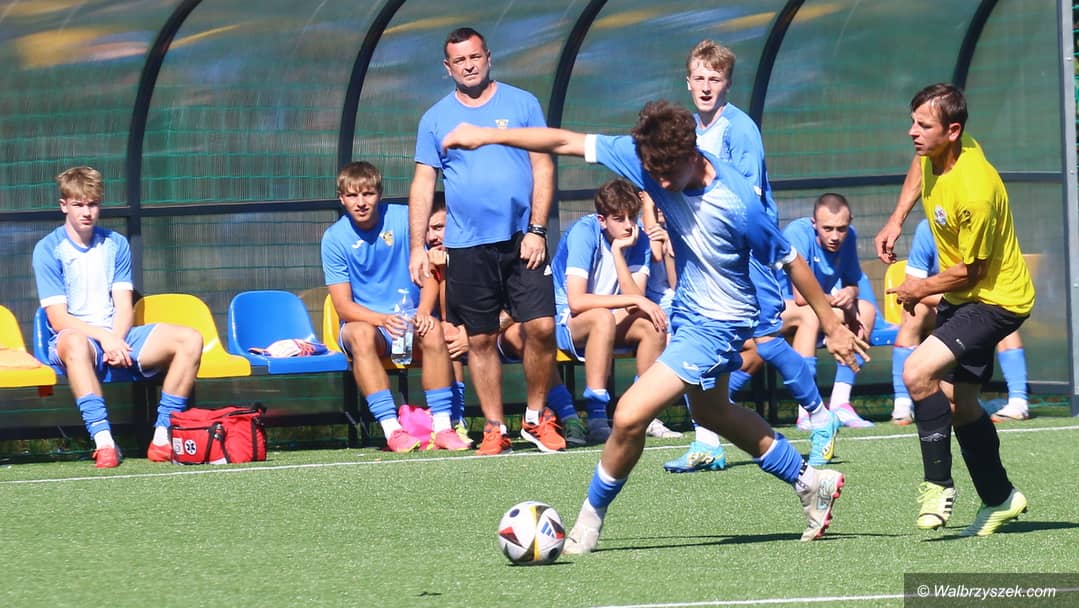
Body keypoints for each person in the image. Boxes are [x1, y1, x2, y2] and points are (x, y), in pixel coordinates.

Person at [441, 99, 868, 552]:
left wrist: (832, 326)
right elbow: (563, 140)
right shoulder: (648, 157)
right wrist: (487, 135)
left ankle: (587, 524)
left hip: (721, 323)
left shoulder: (738, 202)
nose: (659, 184)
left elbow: (792, 259)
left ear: (692, 153)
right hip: (690, 312)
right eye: (653, 173)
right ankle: (810, 482)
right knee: (713, 414)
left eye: (667, 175)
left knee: (629, 415)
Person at [664, 40, 839, 475]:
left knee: (766, 339)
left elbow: (746, 201)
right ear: (687, 82)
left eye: (715, 78)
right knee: (699, 336)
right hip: (708, 257)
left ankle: (821, 418)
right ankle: (707, 442)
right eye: (699, 78)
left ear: (728, 83)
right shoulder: (687, 128)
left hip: (747, 252)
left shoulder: (740, 130)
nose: (706, 86)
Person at [875, 83, 1033, 536]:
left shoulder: (975, 189)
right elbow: (919, 165)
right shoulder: (936, 152)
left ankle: (937, 486)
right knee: (960, 404)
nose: (913, 132)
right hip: (966, 298)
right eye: (913, 122)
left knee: (917, 373)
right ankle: (1001, 497)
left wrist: (919, 288)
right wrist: (896, 219)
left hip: (995, 300)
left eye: (924, 126)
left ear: (953, 131)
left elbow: (972, 271)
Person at [408, 27, 558, 455]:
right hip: (467, 246)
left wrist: (538, 230)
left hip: (523, 238)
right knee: (479, 338)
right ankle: (494, 428)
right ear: (448, 67)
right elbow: (423, 183)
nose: (469, 65)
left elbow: (543, 167)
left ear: (488, 57)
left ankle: (535, 417)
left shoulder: (523, 103)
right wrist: (417, 246)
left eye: (475, 57)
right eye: (460, 60)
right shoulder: (435, 118)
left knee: (542, 327)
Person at [32, 166, 204, 468]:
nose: (87, 212)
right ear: (64, 205)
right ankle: (104, 442)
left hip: (118, 336)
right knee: (74, 342)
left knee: (190, 339)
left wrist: (115, 339)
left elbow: (124, 306)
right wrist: (105, 338)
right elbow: (58, 319)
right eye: (79, 204)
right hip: (76, 338)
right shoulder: (47, 249)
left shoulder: (117, 244)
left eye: (93, 204)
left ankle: (163, 437)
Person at [322, 161, 470, 453]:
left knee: (435, 329)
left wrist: (424, 312)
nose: (361, 203)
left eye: (368, 194)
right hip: (370, 326)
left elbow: (429, 274)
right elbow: (343, 307)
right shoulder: (334, 239)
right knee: (360, 334)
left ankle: (444, 427)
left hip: (411, 322)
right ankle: (393, 431)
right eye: (352, 195)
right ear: (341, 198)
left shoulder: (406, 218)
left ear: (380, 194)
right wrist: (382, 319)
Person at [549, 178, 668, 444]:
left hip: (609, 318)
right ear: (602, 220)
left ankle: (641, 412)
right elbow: (577, 302)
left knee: (654, 324)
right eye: (619, 219)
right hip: (566, 321)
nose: (628, 225)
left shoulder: (639, 239)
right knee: (602, 318)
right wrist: (635, 300)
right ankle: (597, 418)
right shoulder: (584, 232)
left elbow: (634, 301)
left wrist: (617, 253)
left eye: (632, 217)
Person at [890, 219, 1031, 424]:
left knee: (1003, 318)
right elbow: (913, 287)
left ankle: (1018, 401)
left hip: (984, 306)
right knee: (912, 314)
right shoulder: (927, 229)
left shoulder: (983, 225)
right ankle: (903, 404)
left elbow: (981, 277)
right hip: (944, 306)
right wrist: (950, 298)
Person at [781, 193, 876, 428]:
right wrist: (838, 300)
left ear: (850, 222)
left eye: (841, 229)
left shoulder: (849, 237)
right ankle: (808, 409)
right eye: (828, 228)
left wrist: (850, 293)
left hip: (818, 308)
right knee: (810, 316)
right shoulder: (797, 233)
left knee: (867, 311)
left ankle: (840, 404)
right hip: (779, 308)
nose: (835, 236)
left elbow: (853, 283)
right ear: (814, 223)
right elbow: (801, 297)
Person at [422, 197, 473, 445]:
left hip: (493, 329)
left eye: (439, 227)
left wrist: (471, 336)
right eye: (427, 230)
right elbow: (447, 315)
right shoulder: (430, 259)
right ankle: (455, 420)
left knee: (536, 332)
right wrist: (442, 272)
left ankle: (551, 414)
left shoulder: (475, 252)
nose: (432, 236)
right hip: (456, 332)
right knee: (448, 334)